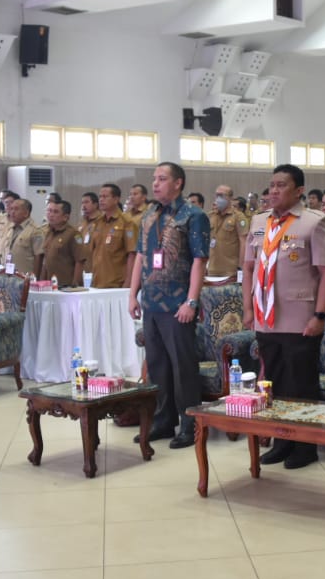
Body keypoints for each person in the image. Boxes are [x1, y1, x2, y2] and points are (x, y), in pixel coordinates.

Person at [244, 163, 325, 469]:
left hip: (300, 318)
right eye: (271, 185)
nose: (273, 191)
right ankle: (282, 440)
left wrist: (319, 315)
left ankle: (305, 446)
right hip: (266, 317)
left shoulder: (313, 223)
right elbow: (248, 269)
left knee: (301, 383)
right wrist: (247, 307)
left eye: (281, 185)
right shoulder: (259, 222)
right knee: (274, 382)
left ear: (298, 191)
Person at [128, 162, 209, 449]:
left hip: (178, 305)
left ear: (178, 183)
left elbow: (199, 261)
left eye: (162, 179)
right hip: (151, 303)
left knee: (182, 366)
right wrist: (132, 294)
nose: (156, 183)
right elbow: (140, 256)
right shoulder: (149, 214)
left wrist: (191, 301)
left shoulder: (194, 216)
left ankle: (190, 423)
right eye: (154, 178)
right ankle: (163, 421)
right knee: (158, 366)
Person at [86, 184, 136, 288]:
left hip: (116, 284)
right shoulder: (97, 223)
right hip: (97, 282)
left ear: (116, 199)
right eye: (100, 196)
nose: (101, 200)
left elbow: (132, 255)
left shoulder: (127, 223)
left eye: (105, 196)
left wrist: (128, 283)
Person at [207, 184, 249, 278]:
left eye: (221, 195)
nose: (218, 198)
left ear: (230, 198)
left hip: (230, 271)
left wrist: (241, 268)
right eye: (217, 195)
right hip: (212, 269)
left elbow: (244, 243)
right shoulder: (211, 215)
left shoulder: (239, 217)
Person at [0, 199, 43, 276]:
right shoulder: (12, 228)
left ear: (26, 213)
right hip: (11, 275)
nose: (12, 212)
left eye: (16, 209)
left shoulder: (35, 231)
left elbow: (38, 257)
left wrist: (34, 279)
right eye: (11, 209)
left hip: (25, 278)